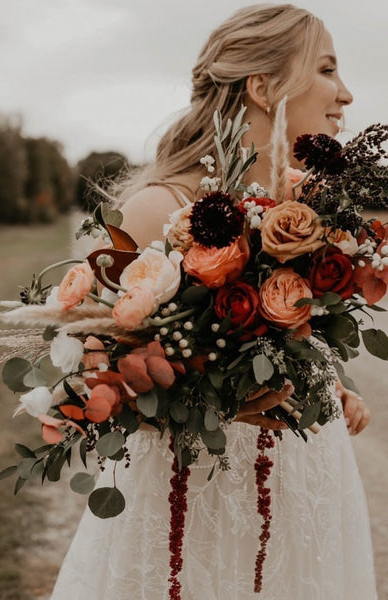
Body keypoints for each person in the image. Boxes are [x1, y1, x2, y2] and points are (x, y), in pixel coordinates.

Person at [50, 4, 377, 599]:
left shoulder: (300, 211)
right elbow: (92, 372)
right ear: (262, 86)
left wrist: (322, 382)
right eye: (328, 69)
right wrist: (219, 394)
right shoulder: (157, 208)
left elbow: (284, 335)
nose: (346, 94)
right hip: (193, 493)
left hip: (305, 479)